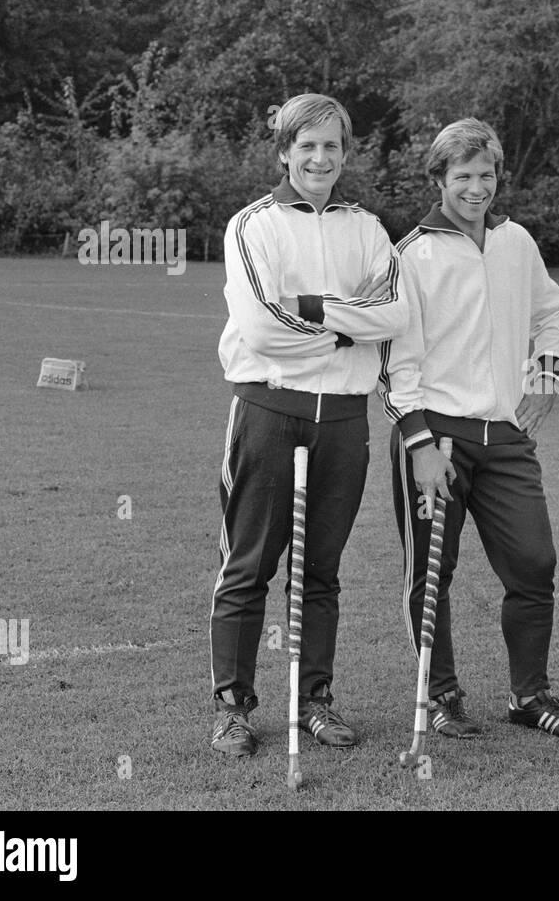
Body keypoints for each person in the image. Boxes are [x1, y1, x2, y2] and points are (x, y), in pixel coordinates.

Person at [208, 93, 409, 756]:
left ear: (344, 154)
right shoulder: (253, 225)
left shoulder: (367, 229)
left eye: (331, 146)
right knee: (248, 564)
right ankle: (233, 707)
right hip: (271, 409)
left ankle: (312, 700)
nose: (319, 157)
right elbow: (263, 330)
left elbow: (397, 315)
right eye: (307, 145)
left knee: (319, 570)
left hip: (344, 421)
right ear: (286, 152)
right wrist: (347, 331)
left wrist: (318, 312)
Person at [379, 117, 559, 739]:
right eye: (464, 176)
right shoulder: (411, 255)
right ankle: (440, 695)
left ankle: (529, 696)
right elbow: (397, 361)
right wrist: (418, 442)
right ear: (439, 180)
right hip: (434, 434)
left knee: (534, 563)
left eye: (487, 174)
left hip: (504, 436)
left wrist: (549, 376)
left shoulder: (516, 241)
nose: (478, 187)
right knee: (431, 573)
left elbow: (550, 311)